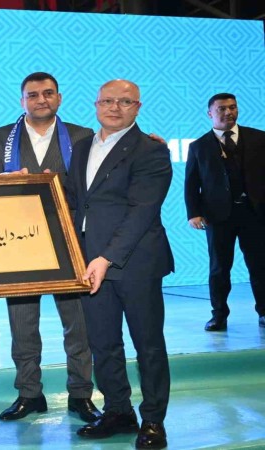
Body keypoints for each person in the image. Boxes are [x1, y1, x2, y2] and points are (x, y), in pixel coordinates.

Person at [0, 72, 100, 423]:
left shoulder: (82, 135)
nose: (41, 100)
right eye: (33, 95)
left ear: (59, 98)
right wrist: (3, 180)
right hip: (18, 241)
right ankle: (29, 393)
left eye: (48, 93)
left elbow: (92, 184)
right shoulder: (1, 137)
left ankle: (81, 394)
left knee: (77, 323)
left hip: (69, 240)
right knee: (22, 323)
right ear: (22, 101)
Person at [66, 79, 173, 449]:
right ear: (96, 105)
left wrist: (106, 258)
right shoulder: (82, 147)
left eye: (125, 102)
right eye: (108, 101)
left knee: (148, 344)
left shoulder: (152, 151)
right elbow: (74, 199)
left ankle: (154, 420)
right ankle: (118, 411)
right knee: (103, 343)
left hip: (135, 263)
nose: (115, 107)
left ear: (138, 108)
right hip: (90, 264)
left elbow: (142, 211)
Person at [184, 93, 265, 331]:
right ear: (210, 113)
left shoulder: (259, 138)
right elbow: (191, 183)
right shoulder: (198, 146)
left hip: (255, 213)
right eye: (222, 108)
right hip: (218, 216)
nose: (228, 112)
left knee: (260, 266)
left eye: (232, 107)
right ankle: (219, 315)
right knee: (219, 268)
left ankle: (264, 311)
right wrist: (193, 213)